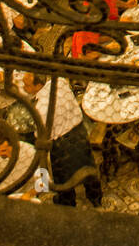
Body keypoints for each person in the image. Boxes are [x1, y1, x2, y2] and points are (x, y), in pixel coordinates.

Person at [22, 72, 102, 207]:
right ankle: (95, 198)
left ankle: (67, 203)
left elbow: (42, 136)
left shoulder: (41, 108)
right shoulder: (59, 82)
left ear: (38, 85)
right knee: (88, 167)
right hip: (79, 133)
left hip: (61, 144)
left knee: (62, 180)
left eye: (27, 85)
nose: (24, 88)